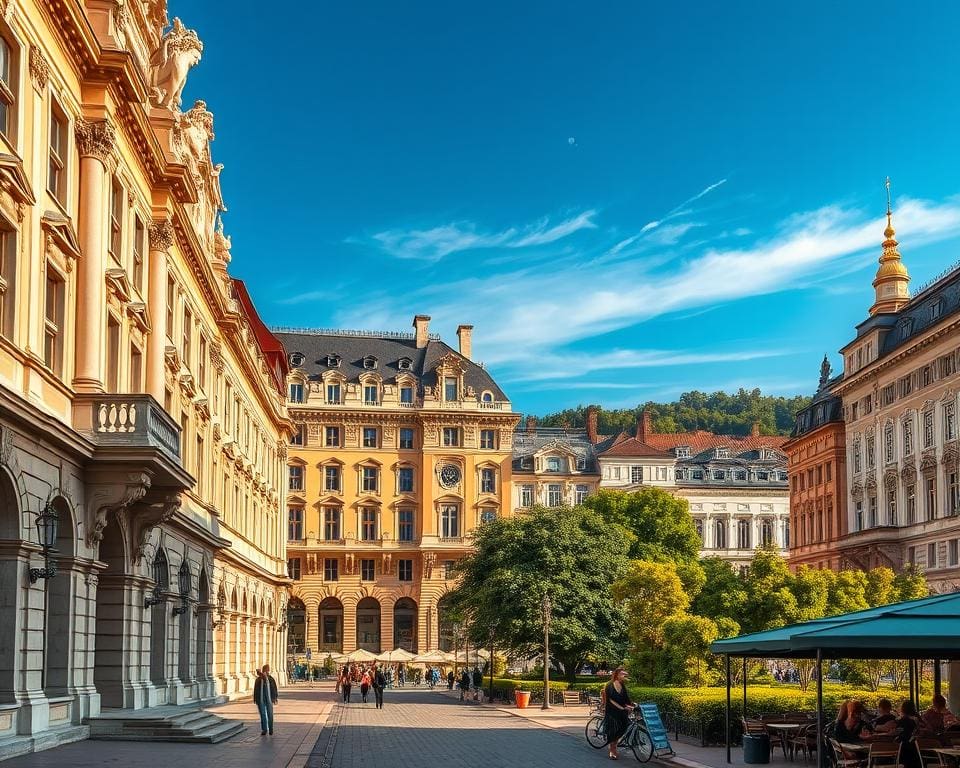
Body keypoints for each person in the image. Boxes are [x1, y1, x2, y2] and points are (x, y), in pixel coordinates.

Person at [603, 667, 634, 760]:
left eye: (624, 675)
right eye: (622, 674)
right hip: (612, 710)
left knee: (625, 725)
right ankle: (612, 750)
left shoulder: (622, 685)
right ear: (617, 675)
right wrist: (622, 708)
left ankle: (614, 744)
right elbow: (611, 700)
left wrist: (631, 704)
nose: (624, 676)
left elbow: (625, 697)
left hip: (622, 710)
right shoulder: (609, 685)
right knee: (613, 729)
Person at [253, 664, 279, 736]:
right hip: (261, 699)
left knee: (270, 714)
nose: (266, 672)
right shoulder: (258, 679)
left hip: (269, 699)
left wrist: (275, 698)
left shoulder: (271, 679)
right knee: (263, 714)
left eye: (267, 670)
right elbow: (255, 690)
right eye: (265, 670)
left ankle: (271, 729)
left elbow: (274, 689)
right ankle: (264, 729)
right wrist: (255, 699)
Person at [897, 700, 922, 768]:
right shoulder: (916, 719)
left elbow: (898, 732)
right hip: (914, 746)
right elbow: (919, 731)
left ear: (903, 709)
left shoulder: (899, 720)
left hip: (902, 746)